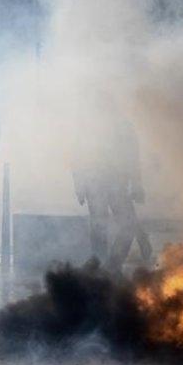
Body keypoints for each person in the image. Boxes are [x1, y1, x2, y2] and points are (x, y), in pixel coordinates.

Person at [73, 111, 151, 272]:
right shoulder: (87, 126)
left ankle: (112, 266)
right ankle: (102, 266)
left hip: (115, 181)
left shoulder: (123, 126)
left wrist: (137, 184)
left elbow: (132, 157)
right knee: (99, 225)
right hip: (95, 183)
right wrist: (79, 184)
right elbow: (77, 156)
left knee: (125, 224)